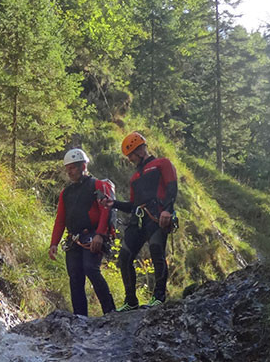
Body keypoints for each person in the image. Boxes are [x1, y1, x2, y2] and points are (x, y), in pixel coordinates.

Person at [99, 131, 177, 310]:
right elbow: (134, 204)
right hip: (138, 219)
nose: (130, 159)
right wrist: (114, 204)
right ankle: (130, 301)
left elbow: (172, 188)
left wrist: (167, 211)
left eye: (131, 155)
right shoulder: (134, 177)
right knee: (125, 257)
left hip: (157, 216)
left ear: (141, 150)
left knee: (157, 251)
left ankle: (159, 297)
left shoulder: (162, 164)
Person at [49, 148, 116, 316]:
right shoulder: (66, 193)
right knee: (75, 277)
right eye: (68, 168)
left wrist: (100, 234)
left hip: (93, 235)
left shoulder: (97, 185)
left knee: (91, 269)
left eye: (73, 167)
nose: (69, 172)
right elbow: (60, 220)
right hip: (74, 239)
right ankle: (80, 317)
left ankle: (110, 312)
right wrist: (54, 243)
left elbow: (105, 211)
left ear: (83, 166)